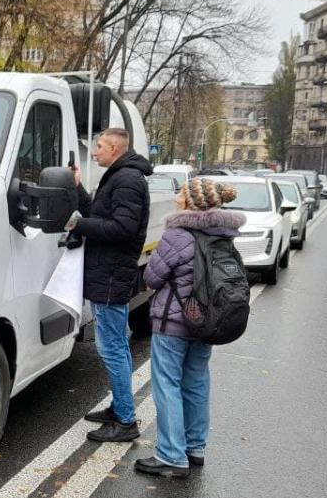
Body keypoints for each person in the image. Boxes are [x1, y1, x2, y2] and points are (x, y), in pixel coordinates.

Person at [135, 177, 244, 477]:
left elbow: (152, 278)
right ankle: (195, 447)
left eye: (181, 193)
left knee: (167, 384)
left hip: (174, 322)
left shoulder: (177, 235)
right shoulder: (223, 235)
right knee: (196, 382)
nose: (177, 197)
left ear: (191, 201)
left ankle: (171, 454)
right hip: (207, 321)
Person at [67, 127, 152, 443]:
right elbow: (99, 214)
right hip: (108, 272)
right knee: (116, 344)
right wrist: (77, 188)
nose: (95, 151)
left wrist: (80, 225)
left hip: (112, 274)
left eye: (99, 146)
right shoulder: (119, 176)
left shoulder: (127, 179)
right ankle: (120, 408)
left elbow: (122, 228)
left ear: (115, 148)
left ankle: (126, 421)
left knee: (111, 347)